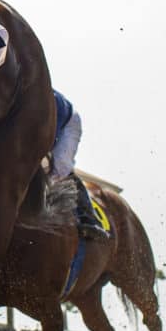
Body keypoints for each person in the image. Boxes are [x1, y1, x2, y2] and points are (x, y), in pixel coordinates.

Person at [51, 90, 111, 242]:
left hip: (67, 124)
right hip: (53, 121)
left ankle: (89, 219)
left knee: (59, 168)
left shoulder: (34, 94)